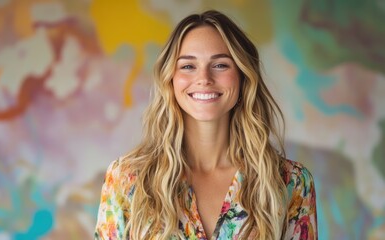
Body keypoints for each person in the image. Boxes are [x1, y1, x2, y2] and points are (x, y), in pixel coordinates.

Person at [95, 10, 317, 240]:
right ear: (170, 79)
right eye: (188, 66)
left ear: (242, 76)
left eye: (220, 65)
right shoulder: (127, 179)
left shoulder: (290, 182)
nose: (204, 78)